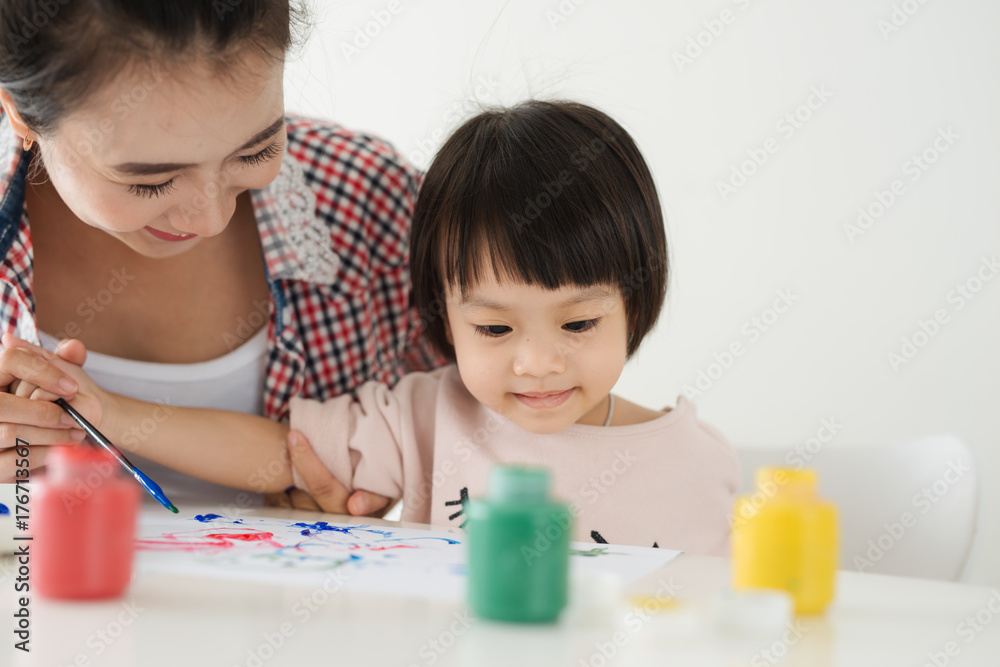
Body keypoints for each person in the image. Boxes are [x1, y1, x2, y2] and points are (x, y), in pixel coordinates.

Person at [8, 100, 741, 553]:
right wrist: (112, 414)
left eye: (578, 322)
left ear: (637, 302)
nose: (537, 362)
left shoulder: (701, 466)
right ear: (439, 316)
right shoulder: (425, 418)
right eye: (493, 330)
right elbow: (282, 452)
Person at [0, 0, 440, 513]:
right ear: (20, 112)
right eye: (152, 180)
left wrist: (400, 473)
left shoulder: (374, 200)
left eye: (256, 152)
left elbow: (523, 427)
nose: (210, 220)